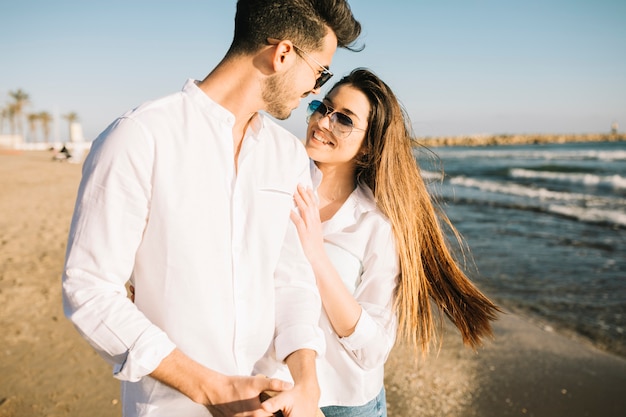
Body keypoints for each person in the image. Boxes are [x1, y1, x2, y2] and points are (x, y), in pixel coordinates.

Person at [61, 1, 362, 416]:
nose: (316, 90)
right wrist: (209, 389)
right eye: (320, 72)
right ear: (283, 54)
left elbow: (291, 279)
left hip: (271, 404)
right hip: (172, 407)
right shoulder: (140, 136)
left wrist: (307, 383)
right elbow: (89, 289)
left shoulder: (288, 155)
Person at [254, 68, 501, 417]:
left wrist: (316, 254)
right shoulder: (281, 184)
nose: (324, 122)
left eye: (343, 119)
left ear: (369, 145)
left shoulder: (376, 225)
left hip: (344, 404)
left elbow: (372, 350)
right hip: (271, 391)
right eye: (324, 108)